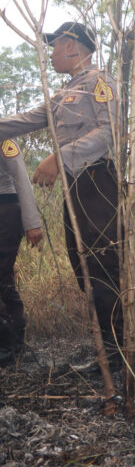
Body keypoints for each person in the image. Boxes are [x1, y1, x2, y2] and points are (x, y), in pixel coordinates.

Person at [0, 22, 122, 368]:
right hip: (75, 187)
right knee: (85, 269)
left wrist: (60, 156)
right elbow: (25, 120)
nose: (51, 54)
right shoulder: (64, 93)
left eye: (54, 46)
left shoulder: (99, 83)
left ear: (71, 46)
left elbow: (111, 132)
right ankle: (109, 353)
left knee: (103, 267)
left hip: (97, 182)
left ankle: (125, 354)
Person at [0, 139, 43, 366]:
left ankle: (9, 346)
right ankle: (11, 344)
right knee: (3, 279)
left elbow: (21, 177)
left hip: (5, 209)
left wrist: (32, 222)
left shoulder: (4, 134)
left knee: (1, 276)